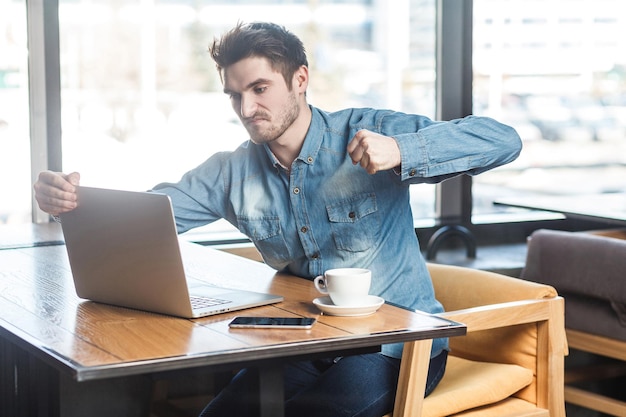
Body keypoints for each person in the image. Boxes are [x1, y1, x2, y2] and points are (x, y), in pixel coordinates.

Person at [34, 21, 522, 417]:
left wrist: (404, 149)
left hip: (396, 349)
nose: (247, 108)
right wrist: (70, 202)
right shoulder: (230, 171)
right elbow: (145, 219)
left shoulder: (368, 132)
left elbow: (503, 140)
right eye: (234, 94)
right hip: (303, 345)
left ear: (301, 79)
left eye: (260, 88)